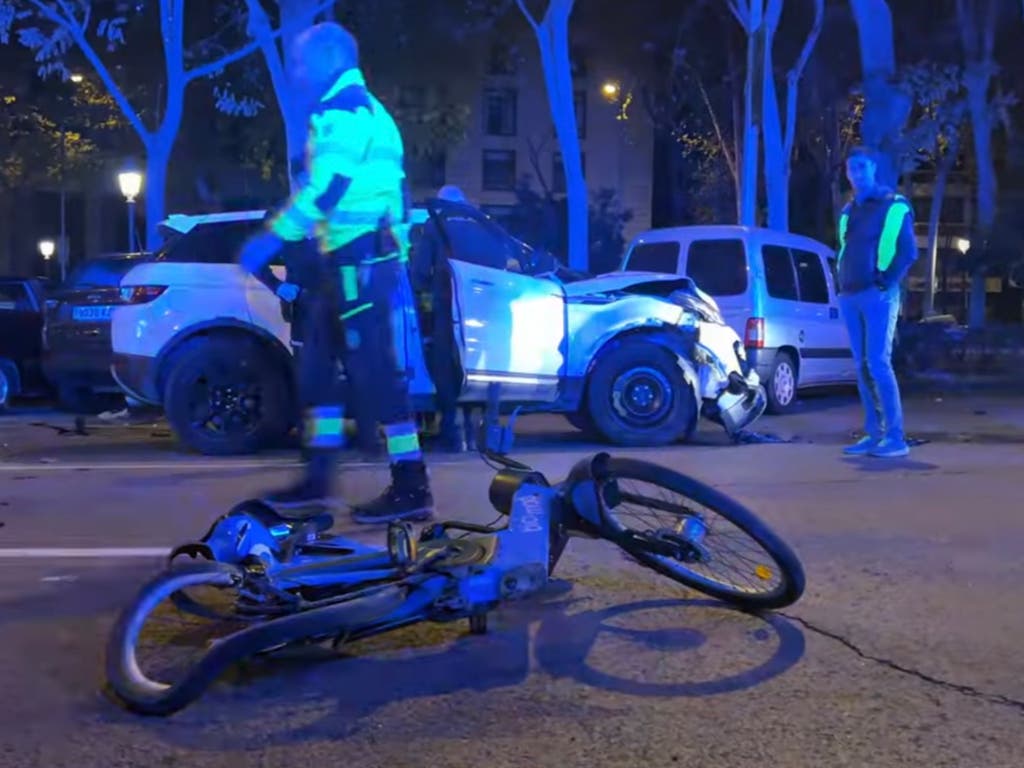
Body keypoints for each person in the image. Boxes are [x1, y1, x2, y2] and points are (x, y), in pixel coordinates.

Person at [236, 21, 432, 523]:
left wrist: (270, 239)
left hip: (359, 261)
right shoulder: (373, 113)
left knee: (376, 376)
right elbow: (399, 195)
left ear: (328, 58)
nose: (297, 71)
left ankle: (412, 486)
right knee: (318, 371)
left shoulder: (342, 112)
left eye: (302, 61)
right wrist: (397, 253)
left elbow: (327, 190)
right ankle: (318, 481)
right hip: (354, 261)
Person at [836, 146, 918, 458]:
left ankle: (895, 438)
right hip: (850, 294)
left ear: (873, 168)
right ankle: (873, 434)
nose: (855, 173)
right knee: (861, 365)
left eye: (860, 167)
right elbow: (844, 248)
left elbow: (908, 251)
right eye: (850, 168)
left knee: (878, 363)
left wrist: (885, 281)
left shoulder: (893, 205)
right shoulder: (849, 210)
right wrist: (839, 283)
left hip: (878, 293)